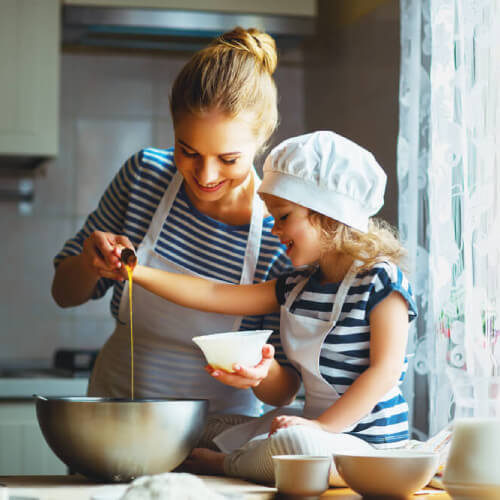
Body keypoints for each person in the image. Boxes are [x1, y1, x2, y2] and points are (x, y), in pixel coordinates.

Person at [118, 131, 418, 485]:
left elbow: (384, 371)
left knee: (297, 443)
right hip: (313, 429)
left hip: (368, 448)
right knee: (205, 427)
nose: (275, 230)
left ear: (328, 214)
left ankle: (227, 464)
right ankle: (249, 456)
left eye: (284, 216)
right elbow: (215, 294)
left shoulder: (381, 280)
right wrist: (134, 270)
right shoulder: (296, 286)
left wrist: (321, 427)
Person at [51, 27, 296, 436]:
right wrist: (91, 264)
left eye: (229, 158)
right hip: (115, 420)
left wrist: (260, 373)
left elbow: (285, 387)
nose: (206, 175)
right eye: (189, 151)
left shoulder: (279, 228)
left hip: (217, 438)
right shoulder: (144, 177)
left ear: (261, 140)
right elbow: (63, 292)